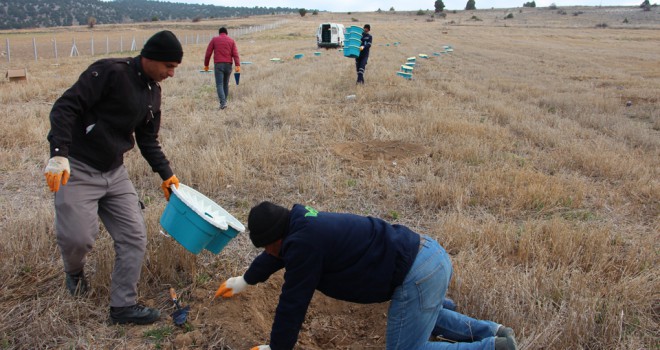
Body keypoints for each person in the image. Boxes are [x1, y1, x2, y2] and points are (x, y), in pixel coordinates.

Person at [215, 202, 519, 350]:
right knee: (429, 316)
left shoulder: (302, 245)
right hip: (430, 254)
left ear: (277, 236)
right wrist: (245, 281)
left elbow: (292, 303)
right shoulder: (300, 226)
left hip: (416, 273)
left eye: (268, 245)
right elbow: (275, 257)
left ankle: (490, 348)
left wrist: (278, 348)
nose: (268, 252)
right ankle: (495, 332)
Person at [44, 30, 183, 325]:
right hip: (78, 167)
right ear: (151, 57)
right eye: (168, 66)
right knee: (78, 239)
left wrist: (167, 175)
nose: (171, 73)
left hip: (115, 172)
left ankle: (123, 306)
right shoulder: (109, 72)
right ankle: (74, 272)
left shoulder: (153, 92)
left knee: (134, 236)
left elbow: (148, 140)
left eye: (174, 68)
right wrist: (59, 153)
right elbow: (65, 107)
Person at [204, 27, 241, 110]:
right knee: (225, 84)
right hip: (228, 65)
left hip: (218, 65)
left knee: (219, 84)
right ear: (226, 33)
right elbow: (235, 54)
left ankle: (223, 103)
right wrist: (237, 65)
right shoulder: (231, 41)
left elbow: (208, 53)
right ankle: (224, 102)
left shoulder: (214, 39)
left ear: (219, 33)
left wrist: (206, 65)